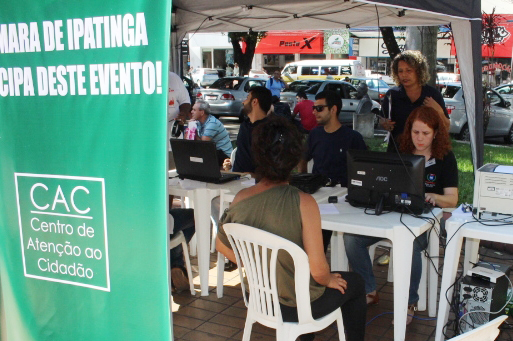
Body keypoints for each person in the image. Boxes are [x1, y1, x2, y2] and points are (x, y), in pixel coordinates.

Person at [216, 117, 367, 341]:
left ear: (258, 155)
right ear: (295, 159)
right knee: (354, 283)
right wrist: (329, 280)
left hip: (259, 297)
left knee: (307, 283)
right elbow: (318, 271)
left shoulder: (239, 199)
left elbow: (220, 244)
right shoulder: (304, 203)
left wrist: (258, 267)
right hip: (296, 305)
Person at [344, 106, 458, 325]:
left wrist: (433, 196)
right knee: (351, 239)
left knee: (412, 244)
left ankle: (409, 301)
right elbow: (380, 180)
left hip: (425, 221)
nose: (420, 138)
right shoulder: (399, 149)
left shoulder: (445, 158)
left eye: (425, 133)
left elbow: (452, 199)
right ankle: (369, 290)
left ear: (435, 133)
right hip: (391, 212)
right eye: (416, 132)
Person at [298, 90, 367, 253]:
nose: (314, 112)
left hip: (343, 198)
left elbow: (364, 169)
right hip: (317, 193)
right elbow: (303, 159)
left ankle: (315, 267)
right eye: (313, 108)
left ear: (333, 109)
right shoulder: (314, 134)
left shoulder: (352, 137)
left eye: (319, 108)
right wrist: (304, 180)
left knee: (318, 229)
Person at [379, 50, 449, 153]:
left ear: (419, 71)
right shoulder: (392, 95)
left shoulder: (432, 95)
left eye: (409, 70)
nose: (404, 75)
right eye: (400, 71)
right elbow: (382, 119)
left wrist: (439, 111)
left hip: (427, 153)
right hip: (398, 153)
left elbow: (446, 127)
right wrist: (384, 123)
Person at [222, 86, 272, 174]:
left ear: (254, 101)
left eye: (247, 98)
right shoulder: (245, 125)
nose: (243, 102)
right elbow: (243, 155)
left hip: (255, 182)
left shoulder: (267, 130)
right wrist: (232, 163)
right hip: (237, 178)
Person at [190, 100, 233, 166]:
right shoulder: (198, 122)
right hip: (213, 151)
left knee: (199, 158)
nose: (191, 112)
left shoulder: (212, 123)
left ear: (202, 112)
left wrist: (193, 131)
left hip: (224, 155)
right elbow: (188, 140)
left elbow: (203, 145)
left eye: (194, 110)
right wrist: (190, 127)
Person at [168, 71, 192, 166]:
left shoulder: (174, 78)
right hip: (150, 134)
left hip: (172, 130)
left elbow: (185, 101)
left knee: (174, 168)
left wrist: (183, 114)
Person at [169, 208, 195, 293]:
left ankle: (173, 268)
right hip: (159, 226)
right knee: (195, 215)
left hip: (135, 234)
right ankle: (175, 265)